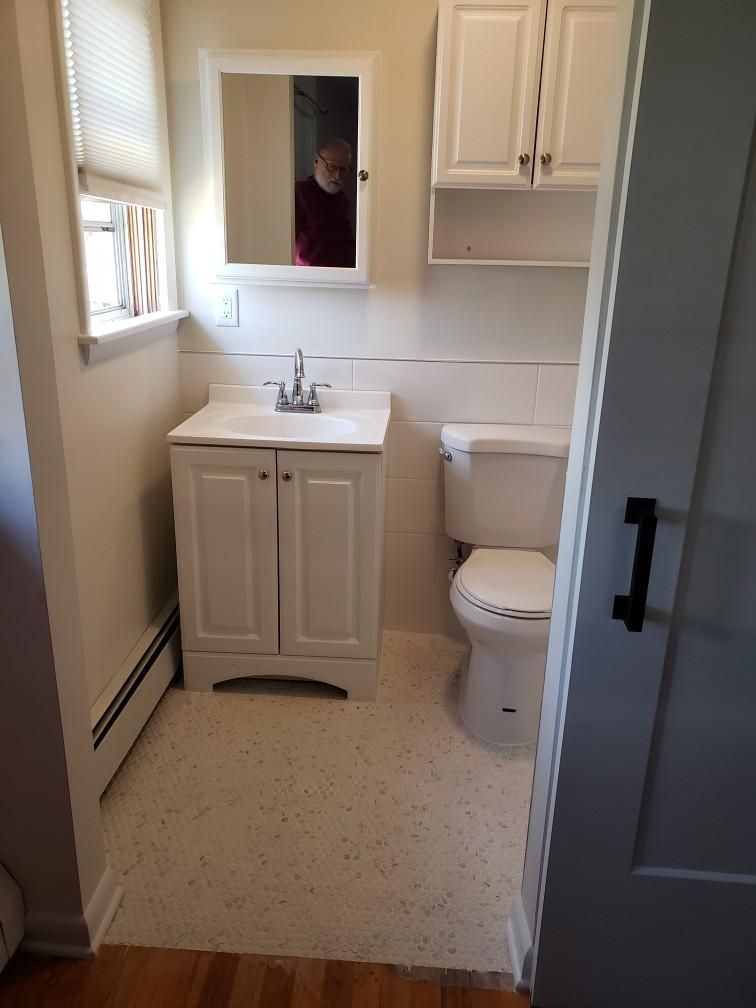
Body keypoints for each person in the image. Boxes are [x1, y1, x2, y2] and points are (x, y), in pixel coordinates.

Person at [294, 138, 356, 267]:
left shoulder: (343, 200)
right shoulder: (300, 193)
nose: (338, 175)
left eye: (343, 170)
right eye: (332, 166)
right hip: (313, 280)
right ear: (316, 161)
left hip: (346, 279)